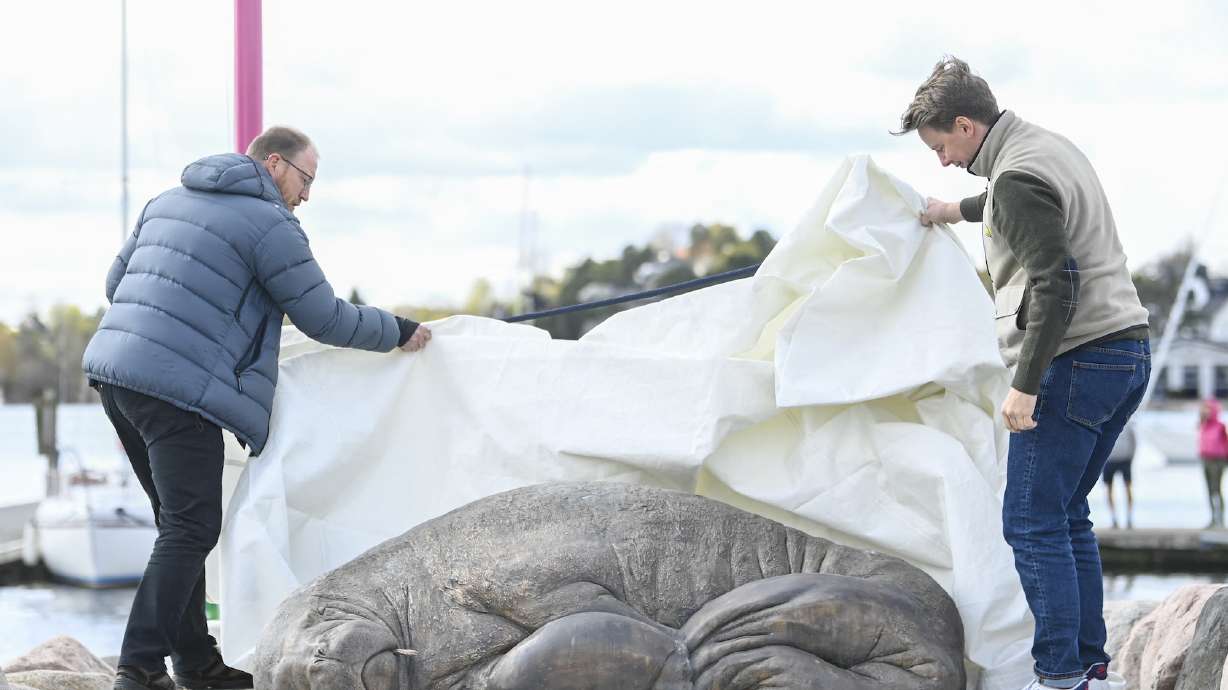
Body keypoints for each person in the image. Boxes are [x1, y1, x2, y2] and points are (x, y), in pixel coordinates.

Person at [81, 126, 432, 690]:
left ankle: (195, 664)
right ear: (275, 163)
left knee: (179, 526)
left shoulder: (167, 200)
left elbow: (115, 282)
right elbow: (323, 317)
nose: (307, 195)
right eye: (307, 178)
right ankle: (139, 668)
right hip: (176, 390)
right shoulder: (271, 224)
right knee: (192, 527)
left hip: (115, 375)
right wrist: (398, 331)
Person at [898, 57, 1149, 690]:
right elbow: (1010, 203)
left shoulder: (1016, 177)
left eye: (941, 146)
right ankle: (1090, 669)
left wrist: (1025, 386)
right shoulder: (1042, 148)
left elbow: (1056, 282)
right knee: (1066, 517)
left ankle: (1061, 676)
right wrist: (950, 210)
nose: (942, 160)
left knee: (1031, 522)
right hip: (1126, 351)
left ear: (964, 123)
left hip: (1075, 360)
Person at [1100, 422, 1136, 529]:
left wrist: (1130, 458)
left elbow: (1134, 443)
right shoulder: (1106, 423)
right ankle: (1114, 519)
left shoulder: (1128, 425)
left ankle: (1129, 518)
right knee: (1109, 489)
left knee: (1128, 488)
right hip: (1109, 461)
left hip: (1125, 460)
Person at [1199, 398, 1228, 528]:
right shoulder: (1203, 424)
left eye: (1208, 408)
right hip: (1206, 459)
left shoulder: (1220, 426)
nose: (1205, 410)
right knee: (1209, 490)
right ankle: (1212, 519)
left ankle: (1220, 520)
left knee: (1217, 490)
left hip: (1218, 461)